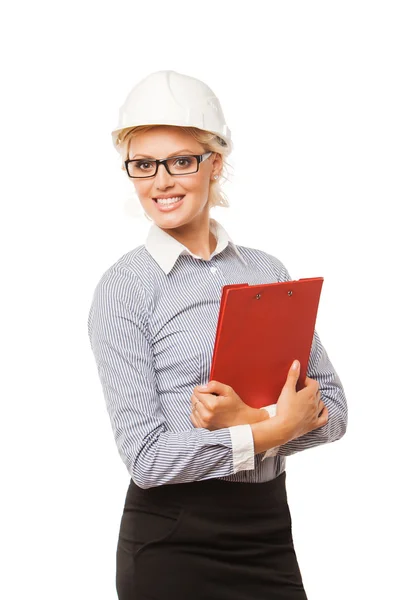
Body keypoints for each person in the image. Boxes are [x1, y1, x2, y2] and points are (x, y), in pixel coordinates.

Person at [87, 69, 348, 600]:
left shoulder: (268, 272)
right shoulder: (124, 288)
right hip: (172, 542)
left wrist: (246, 419)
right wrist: (270, 430)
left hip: (269, 534)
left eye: (181, 161)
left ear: (215, 164)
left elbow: (335, 412)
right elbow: (147, 458)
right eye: (143, 165)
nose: (161, 181)